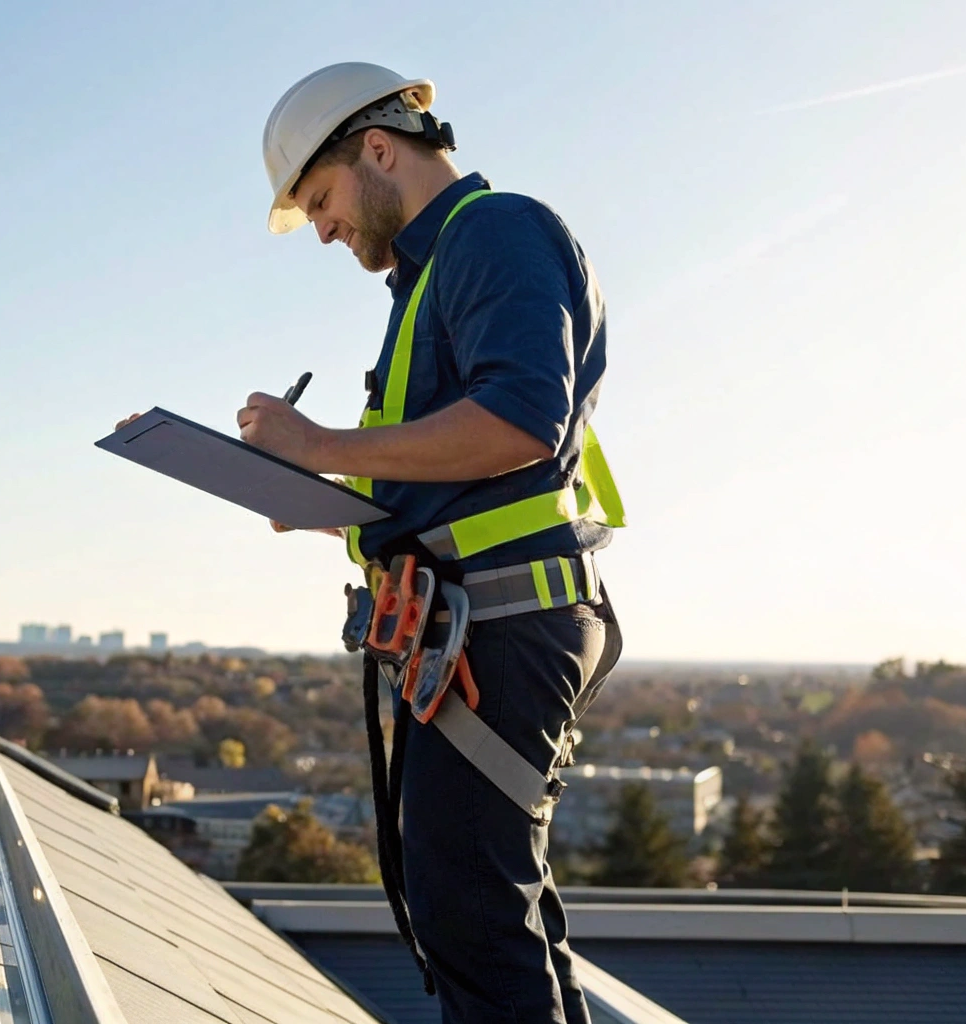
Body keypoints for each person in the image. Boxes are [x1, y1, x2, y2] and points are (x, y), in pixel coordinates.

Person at [117, 63, 625, 1023]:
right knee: (487, 913)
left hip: (505, 626)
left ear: (380, 150)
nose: (321, 228)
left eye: (320, 198)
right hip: (478, 624)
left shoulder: (499, 232)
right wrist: (319, 492)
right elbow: (446, 472)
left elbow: (520, 422)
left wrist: (321, 446)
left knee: (471, 915)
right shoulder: (431, 275)